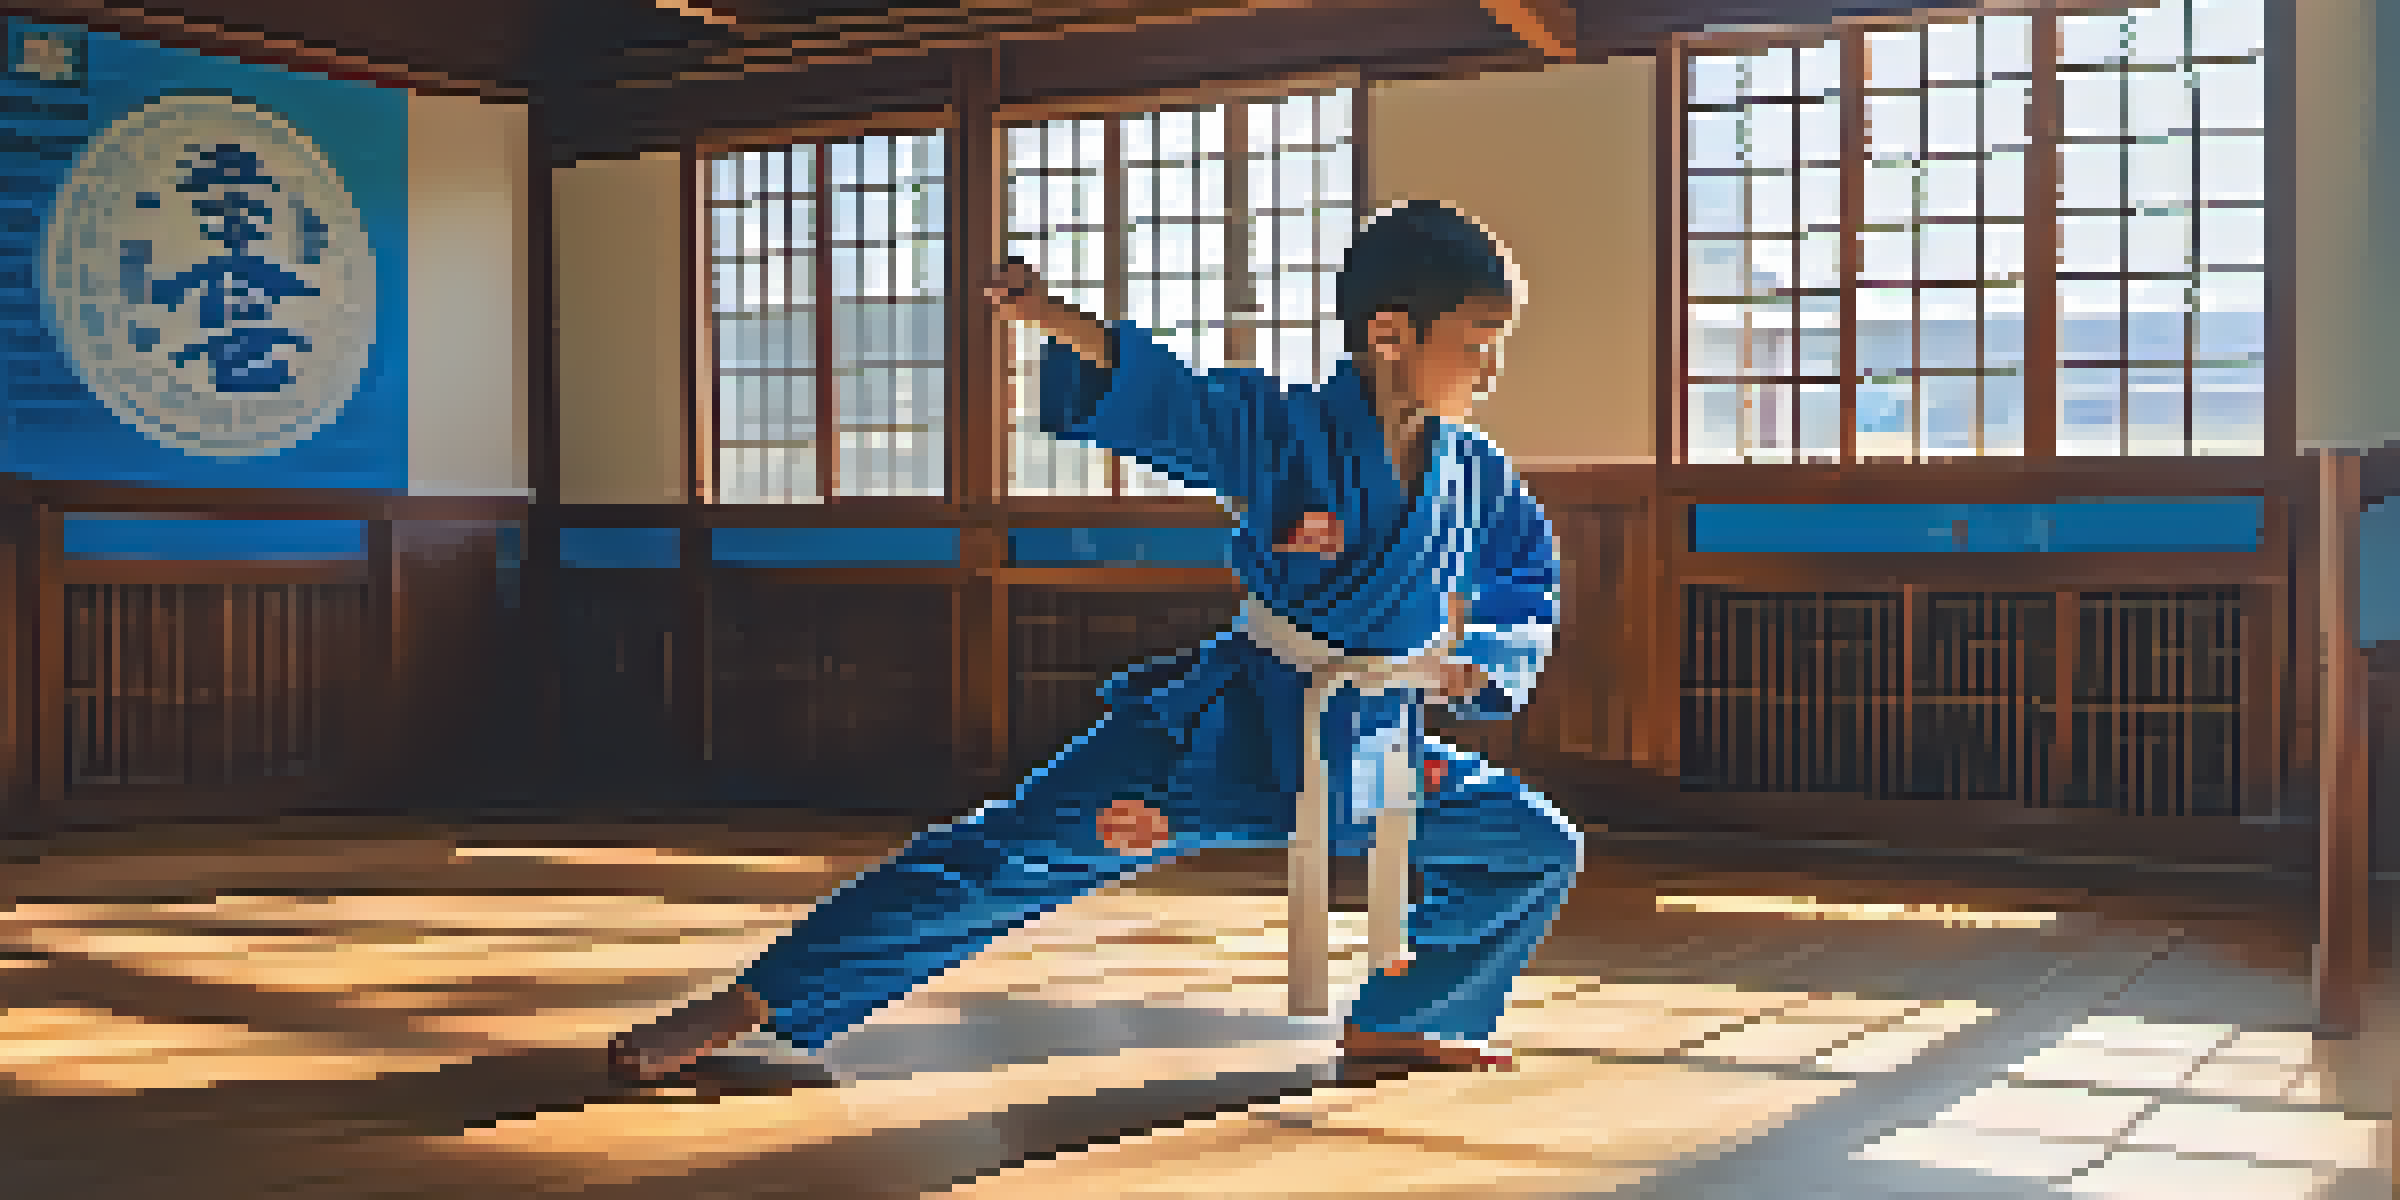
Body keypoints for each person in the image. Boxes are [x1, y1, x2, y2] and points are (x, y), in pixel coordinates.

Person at [607, 199, 1582, 1086]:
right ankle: (752, 1002)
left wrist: (1488, 659)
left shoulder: (1476, 473)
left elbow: (1523, 573)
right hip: (1223, 739)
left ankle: (1405, 1018)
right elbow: (1177, 402)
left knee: (1534, 849)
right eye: (1476, 343)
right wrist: (1049, 316)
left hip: (1374, 751)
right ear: (1390, 333)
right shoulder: (1283, 433)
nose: (1491, 368)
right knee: (1001, 856)